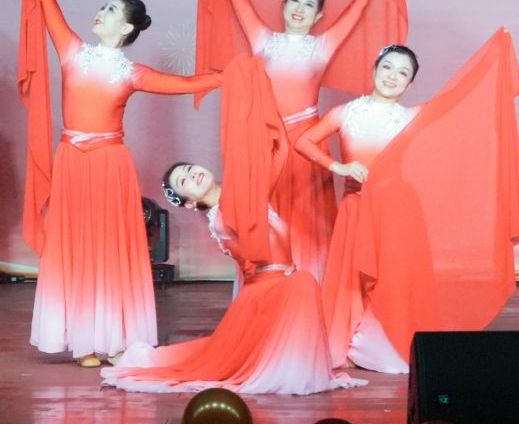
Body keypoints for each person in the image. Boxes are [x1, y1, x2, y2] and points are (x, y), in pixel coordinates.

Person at [19, 0, 222, 366]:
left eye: (112, 10)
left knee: (108, 248)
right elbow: (47, 1)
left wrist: (232, 76)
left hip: (110, 164)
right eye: (103, 7)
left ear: (127, 29)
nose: (101, 13)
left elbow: (187, 84)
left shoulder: (132, 73)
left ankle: (112, 337)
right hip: (72, 160)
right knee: (75, 244)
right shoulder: (72, 51)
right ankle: (83, 340)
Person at [294, 32, 519, 374]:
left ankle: (385, 341)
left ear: (410, 84)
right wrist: (338, 166)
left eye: (403, 73)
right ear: (374, 70)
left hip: (398, 210)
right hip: (356, 206)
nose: (392, 76)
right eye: (387, 67)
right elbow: (303, 142)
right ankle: (352, 339)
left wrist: (495, 58)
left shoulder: (411, 116)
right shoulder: (345, 113)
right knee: (353, 279)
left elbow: (460, 101)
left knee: (394, 278)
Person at [200, 0, 395, 281]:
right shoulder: (262, 39)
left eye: (309, 4)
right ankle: (272, 284)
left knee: (310, 218)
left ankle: (312, 286)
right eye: (295, 0)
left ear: (319, 15)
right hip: (266, 141)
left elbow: (358, 6)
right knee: (266, 212)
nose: (300, 8)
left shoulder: (322, 46)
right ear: (284, 5)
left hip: (308, 142)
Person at [103, 157, 364, 396]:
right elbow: (257, 251)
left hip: (278, 288)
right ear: (190, 203)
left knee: (300, 281)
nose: (192, 175)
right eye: (184, 181)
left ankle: (292, 365)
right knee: (303, 282)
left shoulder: (239, 197)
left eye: (191, 169)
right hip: (267, 293)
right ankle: (286, 370)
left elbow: (278, 158)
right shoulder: (222, 219)